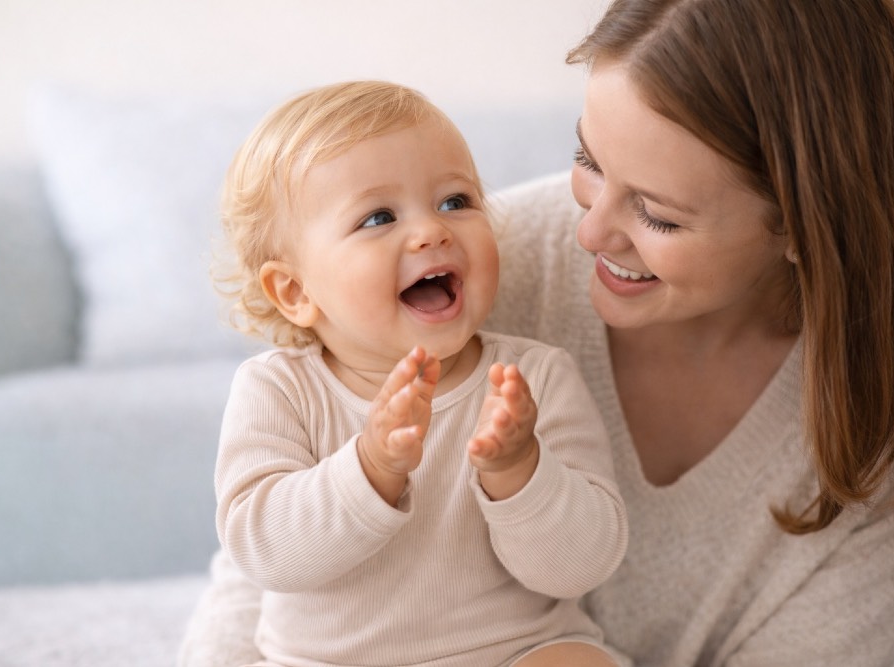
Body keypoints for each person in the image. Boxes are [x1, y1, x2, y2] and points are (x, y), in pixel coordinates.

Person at [180, 1, 894, 666]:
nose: (590, 232)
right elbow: (262, 568)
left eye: (657, 214)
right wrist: (369, 470)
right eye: (588, 160)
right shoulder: (486, 269)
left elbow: (577, 551)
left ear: (805, 225)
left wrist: (521, 471)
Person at [206, 80, 629, 667]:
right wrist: (371, 468)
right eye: (378, 217)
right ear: (297, 291)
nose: (433, 230)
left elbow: (583, 564)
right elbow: (262, 549)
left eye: (456, 201)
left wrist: (520, 471)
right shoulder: (279, 391)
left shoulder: (531, 378)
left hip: (513, 651)